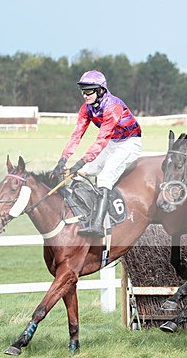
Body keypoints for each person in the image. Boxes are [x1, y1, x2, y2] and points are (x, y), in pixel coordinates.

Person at [53, 70, 142, 238]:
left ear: (100, 90)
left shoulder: (113, 107)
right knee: (80, 174)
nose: (85, 95)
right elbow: (77, 134)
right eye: (83, 91)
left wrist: (81, 161)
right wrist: (62, 160)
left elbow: (101, 139)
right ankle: (82, 215)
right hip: (113, 142)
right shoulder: (86, 108)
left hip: (129, 143)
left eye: (89, 91)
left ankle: (98, 225)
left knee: (104, 178)